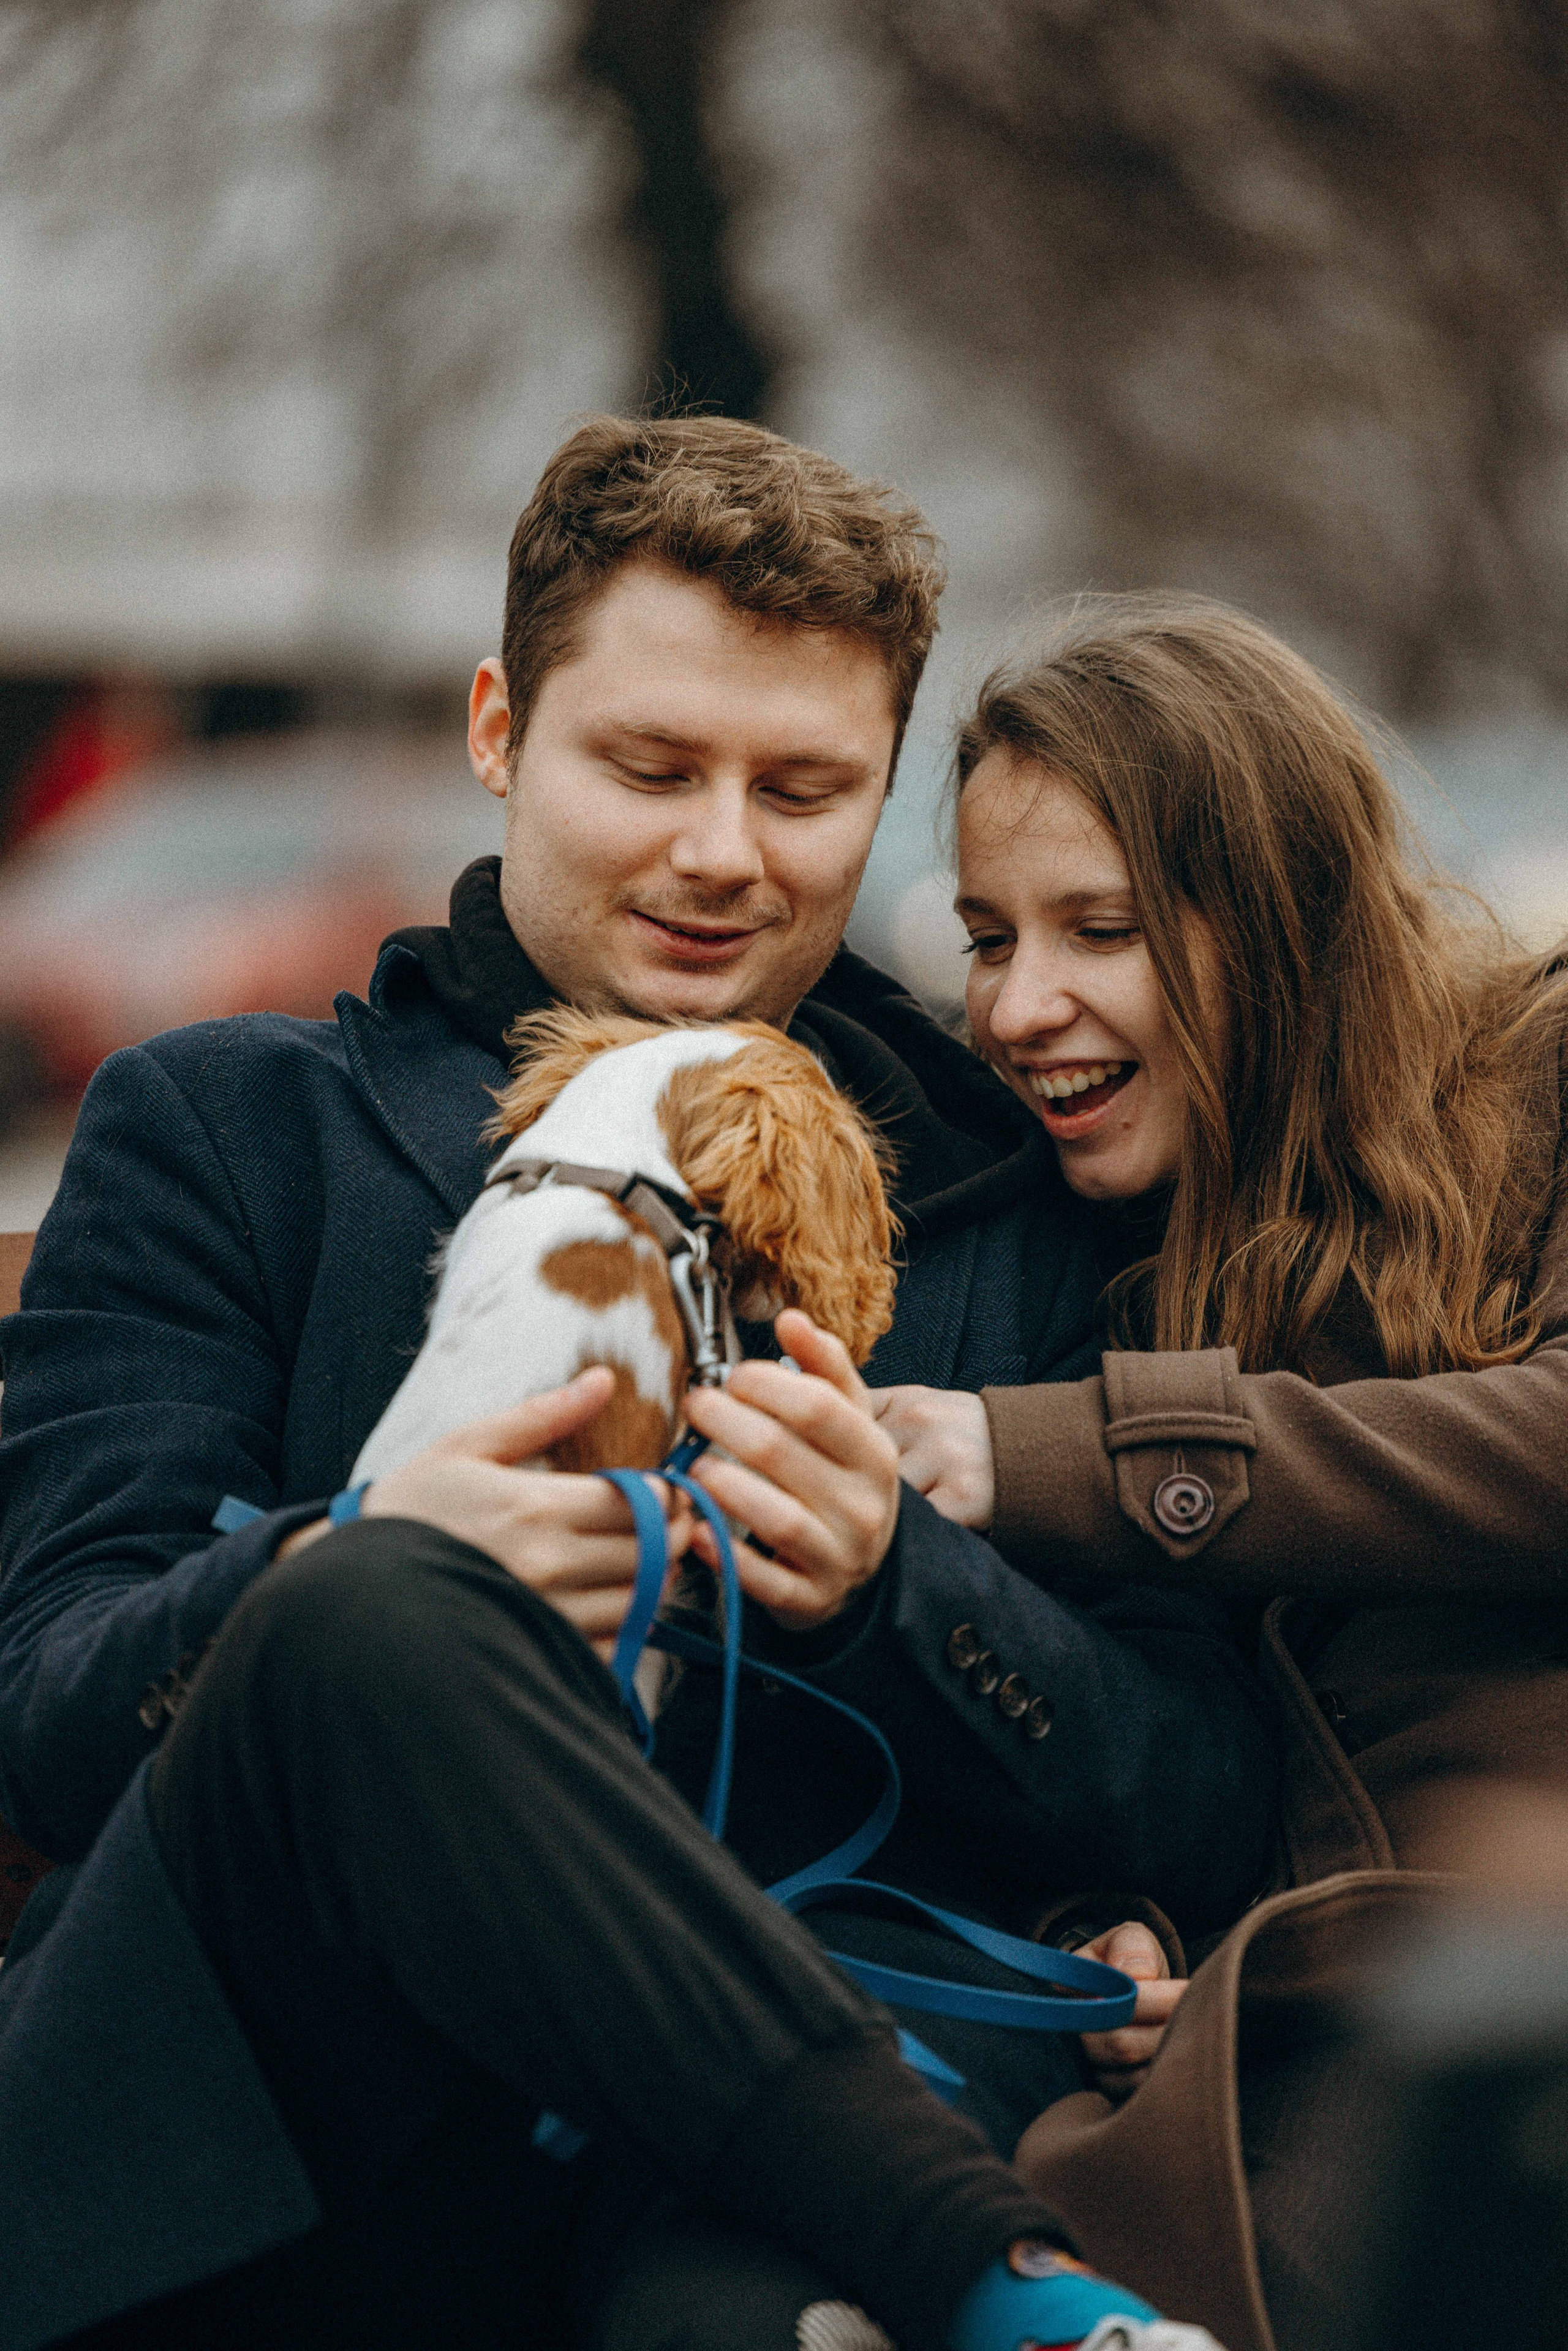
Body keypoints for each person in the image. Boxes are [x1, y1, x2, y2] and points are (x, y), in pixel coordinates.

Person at [0, 429, 1276, 2351]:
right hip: (297, 2119)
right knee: (369, 1595)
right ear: (502, 729)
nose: (722, 853)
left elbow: (1191, 1795)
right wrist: (348, 1560)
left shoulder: (1013, 1195)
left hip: (763, 2162)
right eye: (652, 767)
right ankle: (1004, 2299)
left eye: (805, 788)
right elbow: (50, 1714)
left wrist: (891, 1592)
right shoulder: (235, 1131)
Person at [872, 591, 1568, 2348]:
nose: (1022, 1006)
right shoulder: (1083, 1260)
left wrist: (1066, 1455)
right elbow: (1138, 1724)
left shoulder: (1543, 1073)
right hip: (1284, 2052)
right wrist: (1102, 1923)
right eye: (984, 936)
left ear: (1278, 911)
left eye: (1095, 928)